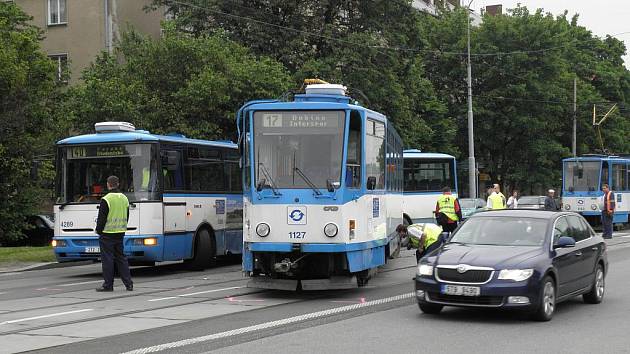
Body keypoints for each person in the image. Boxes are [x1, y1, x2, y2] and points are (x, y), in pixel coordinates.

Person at [95, 175, 133, 292]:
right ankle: (129, 284)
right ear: (118, 184)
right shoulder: (124, 198)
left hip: (107, 234)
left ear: (108, 184)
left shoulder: (106, 199)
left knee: (108, 260)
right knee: (121, 258)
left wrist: (98, 230)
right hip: (120, 232)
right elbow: (127, 216)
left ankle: (108, 285)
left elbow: (102, 218)